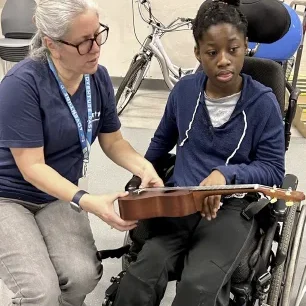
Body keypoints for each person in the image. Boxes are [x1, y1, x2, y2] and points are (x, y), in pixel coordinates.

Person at [113, 0, 285, 305]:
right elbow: (160, 143)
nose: (223, 60)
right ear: (197, 53)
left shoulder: (263, 103)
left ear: (246, 47)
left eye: (233, 50)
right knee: (141, 276)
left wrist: (226, 174)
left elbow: (273, 170)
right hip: (180, 200)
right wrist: (142, 176)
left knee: (198, 289)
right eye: (211, 52)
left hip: (231, 208)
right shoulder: (184, 92)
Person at [0, 0, 163, 305]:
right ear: (52, 44)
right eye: (84, 41)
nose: (96, 47)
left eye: (98, 34)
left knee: (83, 275)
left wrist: (144, 168)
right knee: (40, 291)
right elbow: (32, 167)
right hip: (8, 196)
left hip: (57, 194)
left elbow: (113, 141)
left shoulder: (97, 77)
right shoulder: (21, 85)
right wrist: (87, 201)